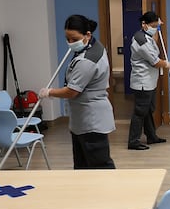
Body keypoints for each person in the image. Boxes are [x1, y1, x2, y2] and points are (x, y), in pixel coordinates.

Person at [40, 14, 116, 169]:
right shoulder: (94, 45)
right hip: (83, 119)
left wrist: (49, 92)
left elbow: (72, 91)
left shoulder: (87, 60)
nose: (70, 43)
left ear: (87, 35)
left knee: (100, 166)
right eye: (67, 39)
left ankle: (108, 192)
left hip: (91, 120)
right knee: (82, 166)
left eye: (74, 39)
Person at [127, 11, 170, 150]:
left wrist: (158, 27)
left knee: (148, 110)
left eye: (156, 25)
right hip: (142, 81)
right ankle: (133, 141)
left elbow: (155, 46)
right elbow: (154, 61)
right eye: (153, 25)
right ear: (144, 24)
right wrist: (165, 64)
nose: (155, 28)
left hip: (149, 81)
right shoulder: (141, 40)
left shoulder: (147, 36)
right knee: (140, 111)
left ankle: (151, 136)